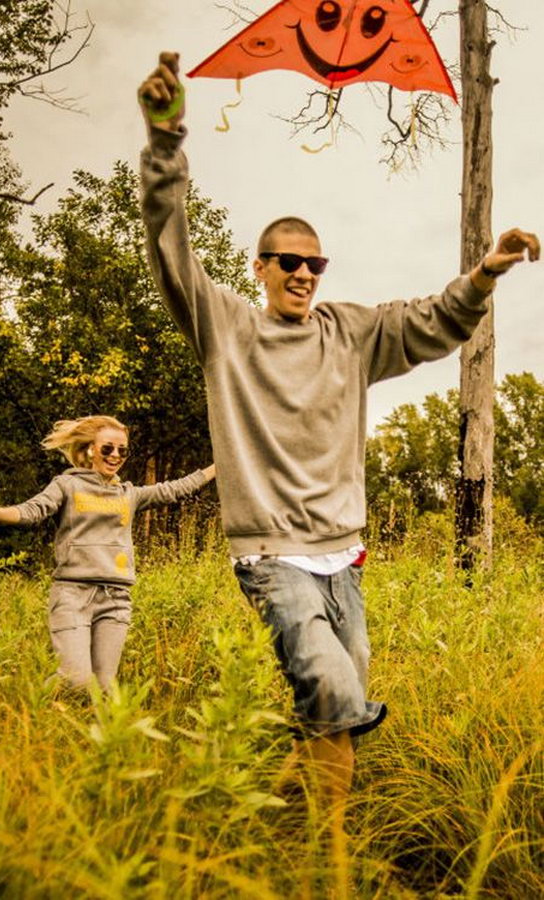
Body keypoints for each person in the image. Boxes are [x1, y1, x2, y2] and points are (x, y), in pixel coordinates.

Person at [137, 52, 540, 823]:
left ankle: (283, 810)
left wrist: (486, 272)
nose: (304, 273)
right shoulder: (226, 328)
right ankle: (333, 846)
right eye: (289, 261)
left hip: (342, 554)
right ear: (260, 268)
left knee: (335, 693)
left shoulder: (349, 333)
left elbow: (432, 321)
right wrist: (164, 143)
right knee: (333, 683)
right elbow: (171, 250)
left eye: (315, 262)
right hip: (270, 555)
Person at [0, 414, 215, 691]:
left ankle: (84, 730)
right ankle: (37, 701)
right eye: (107, 448)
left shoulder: (129, 494)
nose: (115, 455)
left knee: (104, 687)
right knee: (77, 680)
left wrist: (218, 467)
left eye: (122, 450)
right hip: (72, 594)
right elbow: (33, 510)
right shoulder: (67, 485)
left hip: (116, 598)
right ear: (90, 449)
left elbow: (175, 489)